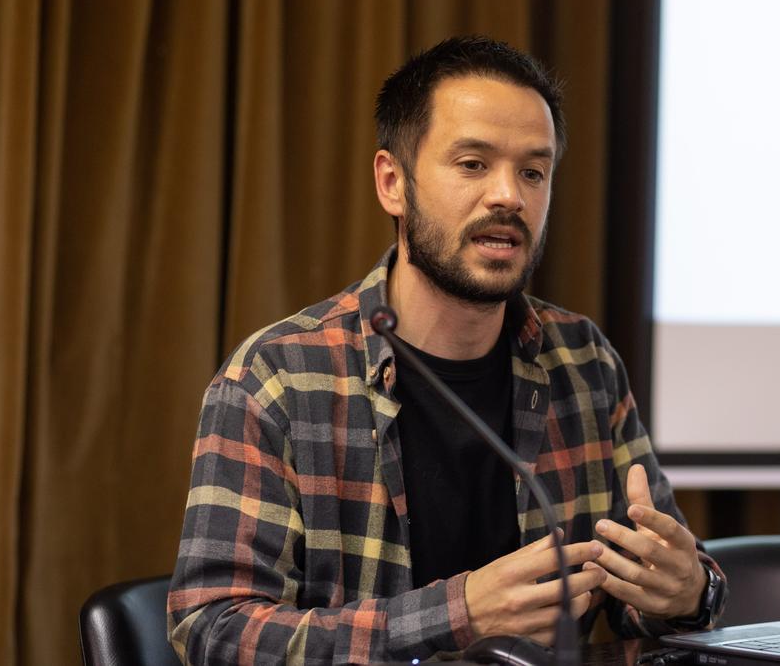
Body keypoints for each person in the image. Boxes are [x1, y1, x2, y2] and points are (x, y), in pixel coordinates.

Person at [167, 35, 725, 665]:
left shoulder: (583, 360)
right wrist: (460, 613)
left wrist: (685, 591)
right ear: (392, 183)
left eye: (533, 172)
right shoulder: (278, 378)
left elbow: (658, 581)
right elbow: (213, 630)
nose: (509, 196)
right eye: (472, 165)